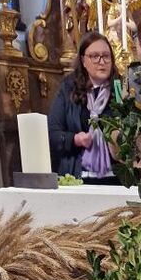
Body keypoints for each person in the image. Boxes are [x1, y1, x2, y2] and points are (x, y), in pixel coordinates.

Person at [48, 32, 120, 184]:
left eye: (106, 56)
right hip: (78, 177)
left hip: (117, 179)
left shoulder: (120, 88)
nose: (102, 61)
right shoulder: (69, 88)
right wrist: (75, 139)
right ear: (83, 61)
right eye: (94, 56)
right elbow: (52, 133)